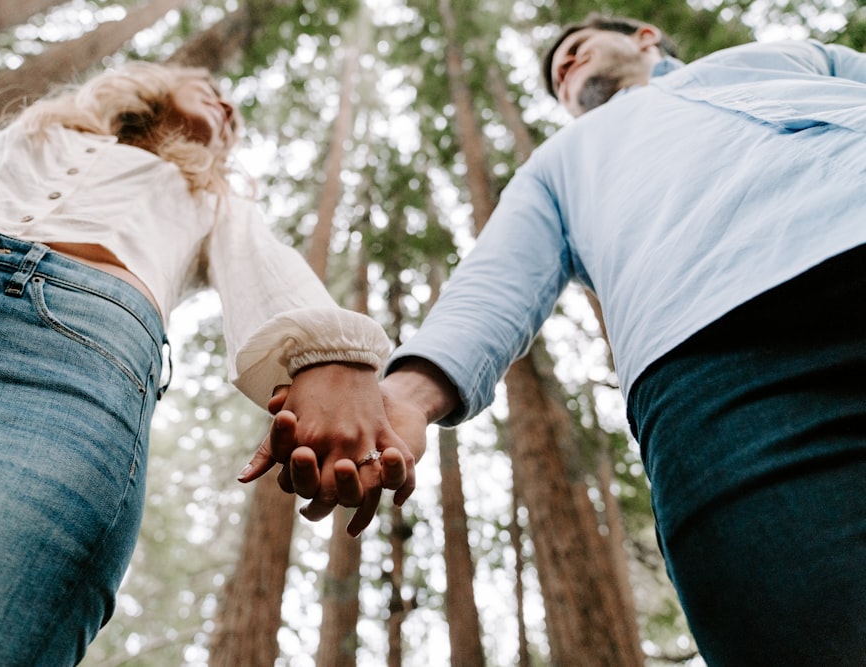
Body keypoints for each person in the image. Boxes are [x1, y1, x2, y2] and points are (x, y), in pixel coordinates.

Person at [242, 15, 866, 665]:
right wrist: (405, 396)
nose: (564, 68)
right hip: (719, 380)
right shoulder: (559, 164)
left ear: (646, 36)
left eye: (575, 50)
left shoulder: (789, 56)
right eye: (555, 75)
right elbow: (496, 281)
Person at [0, 61, 411, 665]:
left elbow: (261, 259)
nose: (227, 107)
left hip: (54, 373)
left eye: (234, 116)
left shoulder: (210, 193)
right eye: (212, 89)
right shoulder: (36, 133)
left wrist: (332, 356)